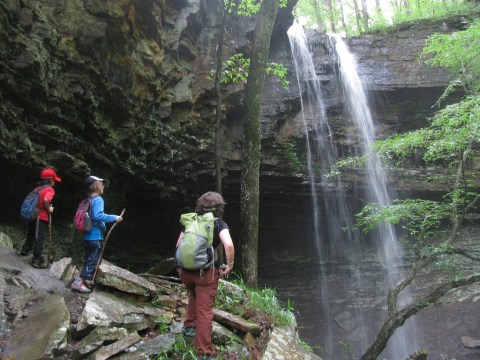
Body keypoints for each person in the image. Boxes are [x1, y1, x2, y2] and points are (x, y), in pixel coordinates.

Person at [176, 191, 235, 359]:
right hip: (205, 275)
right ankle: (204, 351)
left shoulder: (191, 220)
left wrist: (180, 267)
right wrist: (229, 265)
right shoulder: (218, 224)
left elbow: (179, 244)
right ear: (220, 208)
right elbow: (228, 245)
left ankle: (189, 328)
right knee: (205, 311)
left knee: (193, 294)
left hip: (186, 272)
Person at [70, 175, 123, 293]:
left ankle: (85, 280)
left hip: (87, 236)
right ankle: (79, 282)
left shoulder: (88, 200)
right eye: (101, 183)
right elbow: (97, 216)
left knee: (88, 258)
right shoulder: (98, 199)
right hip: (95, 236)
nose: (103, 186)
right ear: (96, 186)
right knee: (93, 259)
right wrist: (115, 218)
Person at [19, 168, 61, 269]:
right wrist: (49, 209)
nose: (54, 182)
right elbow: (46, 199)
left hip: (33, 215)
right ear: (51, 180)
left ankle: (25, 249)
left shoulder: (38, 188)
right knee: (39, 237)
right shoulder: (50, 189)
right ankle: (37, 259)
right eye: (54, 180)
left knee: (31, 232)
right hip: (41, 217)